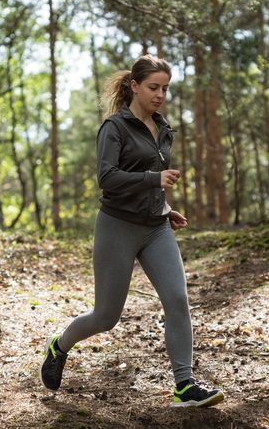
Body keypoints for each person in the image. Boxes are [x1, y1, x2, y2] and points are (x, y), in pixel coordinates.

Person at [40, 54, 224, 408]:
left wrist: (165, 207)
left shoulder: (162, 127)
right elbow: (107, 178)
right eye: (154, 87)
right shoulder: (115, 127)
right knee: (106, 317)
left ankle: (184, 385)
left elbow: (151, 181)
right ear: (134, 86)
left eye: (165, 88)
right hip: (117, 227)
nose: (160, 95)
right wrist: (154, 180)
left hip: (155, 228)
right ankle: (59, 346)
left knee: (177, 300)